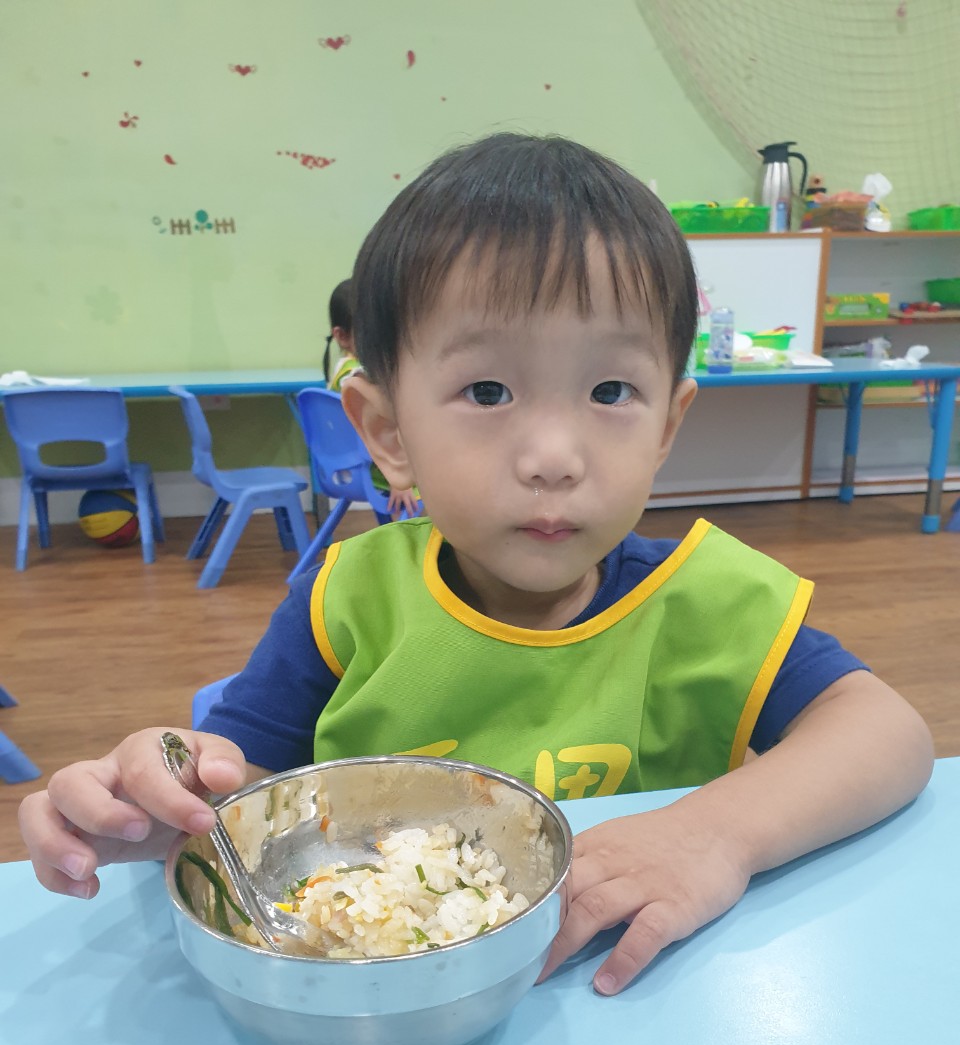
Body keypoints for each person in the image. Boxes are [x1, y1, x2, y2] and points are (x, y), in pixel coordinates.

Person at [19, 132, 933, 998]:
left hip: (646, 1002)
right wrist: (153, 805)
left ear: (668, 425)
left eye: (611, 390)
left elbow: (890, 735)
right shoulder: (351, 603)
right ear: (386, 431)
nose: (553, 455)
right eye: (487, 390)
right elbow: (242, 800)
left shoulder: (712, 602)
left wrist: (714, 834)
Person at [324, 277, 419, 519]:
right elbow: (383, 428)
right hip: (380, 473)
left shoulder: (342, 369)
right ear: (342, 337)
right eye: (371, 331)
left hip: (348, 471)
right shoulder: (358, 377)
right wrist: (399, 482)